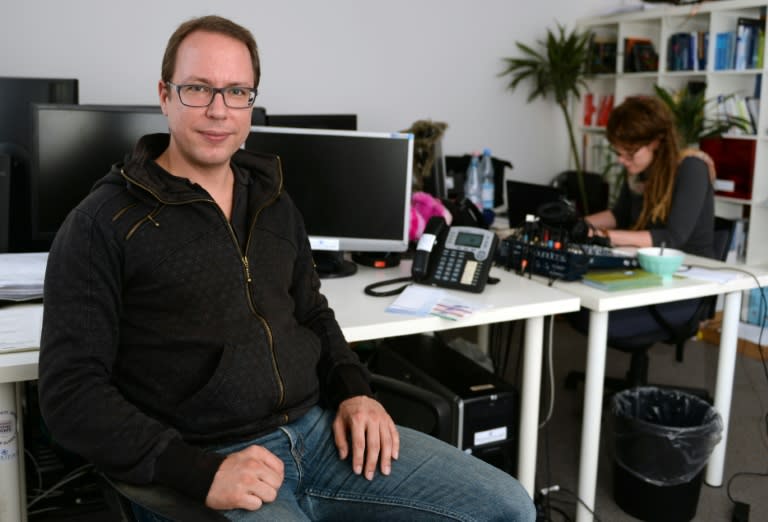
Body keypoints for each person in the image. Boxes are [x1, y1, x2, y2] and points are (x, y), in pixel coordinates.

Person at [37, 15, 535, 522]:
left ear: (252, 102)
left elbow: (313, 313)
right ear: (164, 94)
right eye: (197, 89)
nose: (218, 110)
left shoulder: (271, 199)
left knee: (508, 508)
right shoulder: (102, 223)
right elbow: (70, 394)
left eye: (237, 92)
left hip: (320, 438)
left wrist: (356, 394)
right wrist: (199, 472)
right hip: (206, 456)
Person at [574, 95, 715, 339]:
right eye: (619, 151)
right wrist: (577, 224)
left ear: (656, 141)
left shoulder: (691, 168)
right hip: (649, 273)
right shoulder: (641, 171)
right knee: (576, 295)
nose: (621, 159)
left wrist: (604, 236)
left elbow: (672, 238)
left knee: (589, 311)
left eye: (629, 152)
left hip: (682, 286)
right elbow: (619, 215)